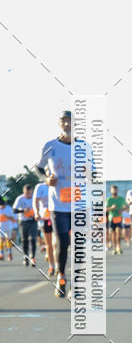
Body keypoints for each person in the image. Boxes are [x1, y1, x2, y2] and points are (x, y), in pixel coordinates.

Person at [35, 110, 76, 297]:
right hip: (58, 204)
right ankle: (61, 278)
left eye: (69, 121)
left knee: (79, 244)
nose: (66, 124)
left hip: (79, 203)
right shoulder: (49, 146)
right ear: (60, 124)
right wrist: (45, 179)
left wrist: (87, 173)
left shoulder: (84, 147)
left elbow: (93, 174)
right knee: (63, 242)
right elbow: (39, 168)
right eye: (63, 121)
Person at [33, 176, 56, 276]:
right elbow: (35, 202)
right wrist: (37, 213)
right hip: (45, 217)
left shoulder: (58, 185)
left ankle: (59, 266)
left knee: (56, 244)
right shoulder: (40, 187)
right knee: (49, 245)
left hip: (57, 216)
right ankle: (52, 266)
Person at [12, 184, 38, 267]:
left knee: (33, 239)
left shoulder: (35, 198)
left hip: (33, 221)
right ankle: (26, 257)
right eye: (27, 193)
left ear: (32, 192)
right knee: (25, 240)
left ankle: (33, 258)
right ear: (24, 192)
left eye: (30, 193)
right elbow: (14, 210)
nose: (29, 195)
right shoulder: (20, 198)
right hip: (23, 222)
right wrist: (23, 210)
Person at [106, 185, 127, 255]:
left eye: (116, 190)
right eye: (113, 190)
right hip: (111, 218)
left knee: (118, 232)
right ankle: (114, 248)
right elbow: (104, 209)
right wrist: (111, 208)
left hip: (118, 218)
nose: (115, 191)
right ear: (111, 191)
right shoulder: (109, 199)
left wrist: (122, 209)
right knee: (113, 234)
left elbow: (126, 206)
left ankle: (119, 247)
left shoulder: (121, 199)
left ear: (117, 191)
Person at [0, 196, 16, 261]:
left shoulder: (9, 208)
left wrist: (7, 217)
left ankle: (9, 254)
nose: (2, 206)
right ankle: (1, 254)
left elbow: (14, 219)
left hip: (8, 226)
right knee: (1, 240)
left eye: (3, 204)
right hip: (1, 226)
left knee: (8, 240)